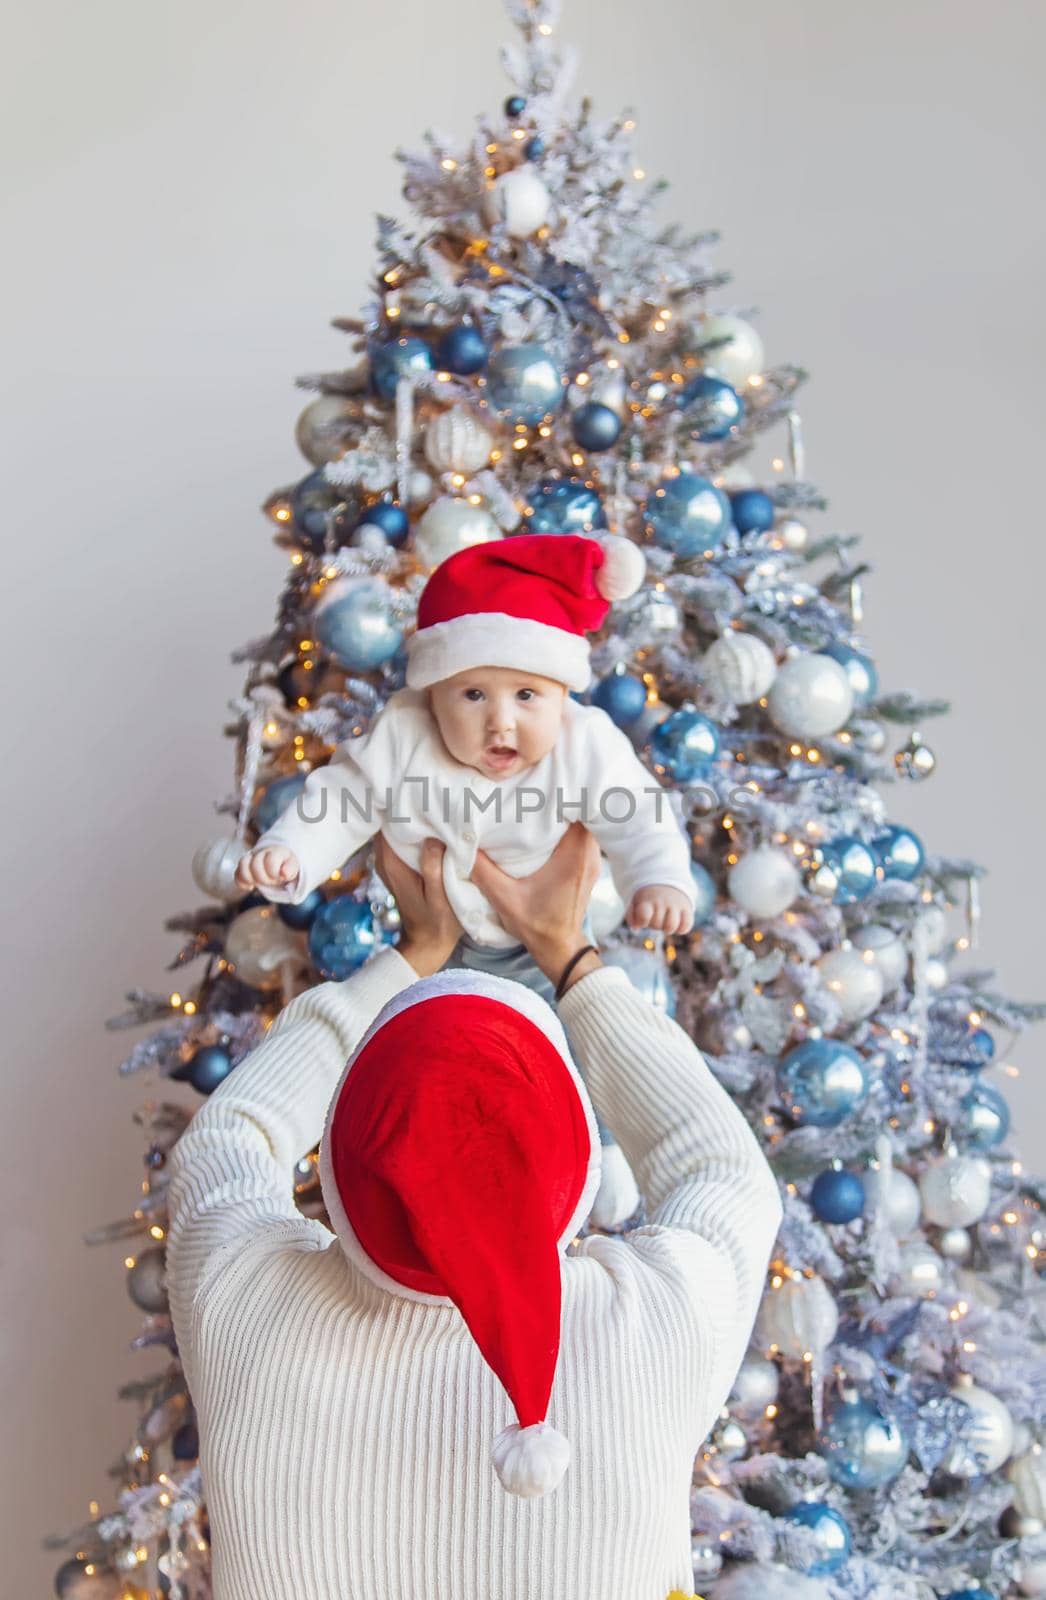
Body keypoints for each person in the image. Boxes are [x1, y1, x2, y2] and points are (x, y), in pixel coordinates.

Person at [167, 824, 782, 1600]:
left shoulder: (246, 1300)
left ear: (340, 1158)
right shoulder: (652, 1321)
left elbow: (229, 1137)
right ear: (577, 1168)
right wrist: (571, 957)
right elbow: (723, 1170)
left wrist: (406, 959)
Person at [234, 533, 697, 968]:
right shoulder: (406, 731)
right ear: (432, 695)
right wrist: (292, 851)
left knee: (554, 1043)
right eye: (473, 695)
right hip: (436, 951)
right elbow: (340, 800)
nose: (501, 722)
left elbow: (640, 816)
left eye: (526, 695)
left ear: (563, 693)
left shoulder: (584, 741)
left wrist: (659, 880)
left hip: (545, 954)